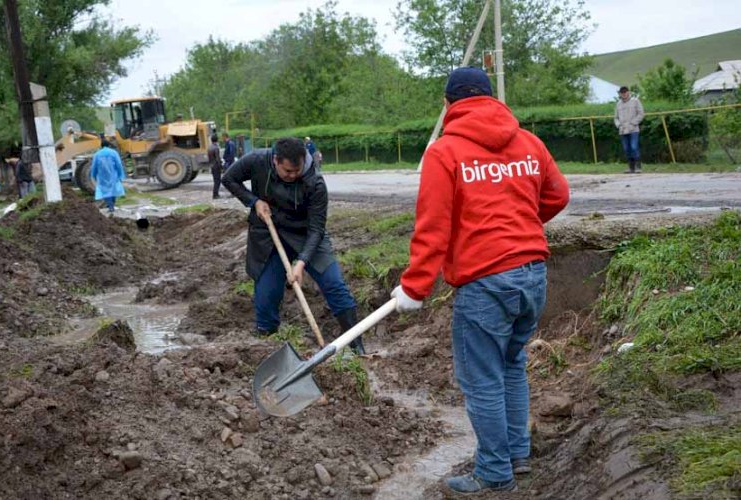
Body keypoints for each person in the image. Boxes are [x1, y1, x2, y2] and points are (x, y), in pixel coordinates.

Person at [390, 67, 569, 494]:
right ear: (491, 100)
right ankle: (517, 455)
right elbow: (558, 195)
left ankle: (493, 471)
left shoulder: (444, 152)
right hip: (533, 274)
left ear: (448, 104)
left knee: (482, 378)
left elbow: (432, 227)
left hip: (487, 283)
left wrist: (415, 288)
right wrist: (521, 228)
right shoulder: (528, 142)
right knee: (511, 364)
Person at [221, 137, 365, 355]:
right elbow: (229, 179)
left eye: (296, 171)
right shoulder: (257, 160)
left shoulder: (315, 182)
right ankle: (268, 348)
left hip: (306, 234)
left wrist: (301, 263)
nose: (292, 175)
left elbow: (317, 229)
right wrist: (254, 201)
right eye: (287, 171)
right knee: (266, 294)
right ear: (275, 160)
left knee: (335, 285)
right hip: (269, 233)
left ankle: (357, 346)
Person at [90, 139, 126, 214]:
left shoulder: (97, 154)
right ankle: (112, 205)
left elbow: (94, 166)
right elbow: (118, 164)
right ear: (109, 145)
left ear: (101, 146)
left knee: (105, 191)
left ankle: (110, 206)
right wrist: (120, 174)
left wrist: (93, 175)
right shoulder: (113, 152)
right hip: (113, 174)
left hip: (102, 176)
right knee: (113, 190)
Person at [614, 86, 645, 174]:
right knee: (626, 149)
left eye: (625, 92)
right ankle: (631, 167)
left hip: (633, 129)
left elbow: (641, 114)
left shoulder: (635, 101)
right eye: (622, 92)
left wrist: (633, 123)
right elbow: (615, 118)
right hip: (623, 130)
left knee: (634, 147)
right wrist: (619, 125)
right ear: (620, 94)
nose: (624, 94)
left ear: (628, 92)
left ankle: (638, 166)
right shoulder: (618, 104)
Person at [208, 134, 223, 199]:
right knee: (218, 181)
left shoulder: (209, 147)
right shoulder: (216, 148)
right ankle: (215, 194)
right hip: (216, 166)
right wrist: (221, 166)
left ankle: (215, 194)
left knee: (215, 180)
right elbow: (218, 158)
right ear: (217, 140)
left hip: (212, 165)